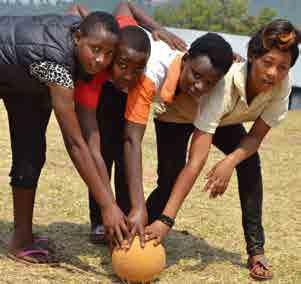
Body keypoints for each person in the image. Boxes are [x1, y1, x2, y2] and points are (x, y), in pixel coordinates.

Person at [144, 19, 301, 281]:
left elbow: (255, 138)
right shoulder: (224, 86)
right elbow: (196, 163)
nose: (273, 73)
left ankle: (256, 250)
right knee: (170, 180)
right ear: (252, 57)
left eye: (282, 67)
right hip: (177, 116)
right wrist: (167, 221)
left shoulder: (282, 85)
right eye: (267, 63)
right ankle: (146, 228)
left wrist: (230, 161)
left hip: (224, 119)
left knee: (249, 164)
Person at [0, 11, 129, 264]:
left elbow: (91, 140)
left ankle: (22, 239)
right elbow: (75, 143)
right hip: (15, 63)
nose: (100, 60)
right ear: (78, 37)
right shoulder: (56, 66)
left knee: (32, 154)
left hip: (22, 79)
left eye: (109, 53)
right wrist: (107, 207)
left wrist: (110, 203)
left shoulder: (79, 35)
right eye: (95, 49)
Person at [72, 1, 187, 245]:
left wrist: (159, 28)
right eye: (122, 64)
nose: (128, 73)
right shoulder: (103, 60)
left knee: (126, 158)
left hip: (131, 95)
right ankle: (102, 220)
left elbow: (132, 141)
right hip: (106, 92)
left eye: (137, 68)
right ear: (112, 53)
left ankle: (127, 218)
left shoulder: (144, 72)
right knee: (102, 151)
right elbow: (123, 5)